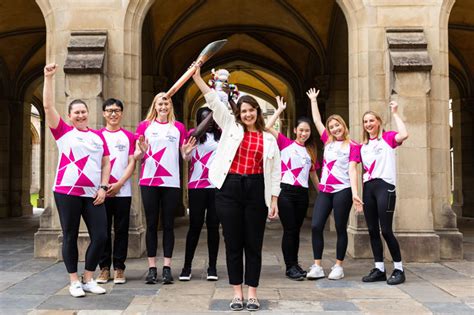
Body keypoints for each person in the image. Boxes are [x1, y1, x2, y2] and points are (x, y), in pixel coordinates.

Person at [192, 66, 280, 312]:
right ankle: (236, 293)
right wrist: (198, 78)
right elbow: (213, 101)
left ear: (257, 112)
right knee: (233, 243)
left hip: (256, 188)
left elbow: (275, 172)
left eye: (251, 110)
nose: (248, 114)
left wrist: (273, 200)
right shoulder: (231, 126)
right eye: (244, 110)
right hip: (229, 188)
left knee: (253, 243)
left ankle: (252, 293)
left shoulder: (269, 138)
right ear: (238, 113)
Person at [43, 63, 110, 297]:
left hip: (93, 194)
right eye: (76, 112)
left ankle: (89, 277)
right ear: (70, 116)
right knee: (70, 235)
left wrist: (103, 187)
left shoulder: (98, 136)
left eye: (83, 111)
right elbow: (48, 105)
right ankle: (74, 281)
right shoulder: (62, 132)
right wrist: (48, 78)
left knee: (101, 235)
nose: (80, 115)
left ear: (88, 114)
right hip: (66, 192)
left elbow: (105, 163)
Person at [306, 88, 362, 281]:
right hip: (325, 190)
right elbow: (317, 121)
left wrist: (355, 194)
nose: (334, 129)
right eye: (331, 127)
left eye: (337, 125)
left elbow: (353, 170)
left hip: (343, 190)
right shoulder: (327, 142)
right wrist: (313, 100)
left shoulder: (353, 145)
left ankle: (338, 266)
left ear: (343, 126)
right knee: (316, 225)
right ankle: (317, 266)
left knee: (340, 227)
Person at [265, 96, 319, 281]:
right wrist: (279, 110)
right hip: (286, 192)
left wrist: (322, 194)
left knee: (296, 230)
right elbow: (266, 127)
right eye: (301, 130)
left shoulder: (311, 151)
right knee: (289, 230)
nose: (304, 133)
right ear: (295, 130)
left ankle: (295, 264)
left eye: (307, 131)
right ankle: (290, 267)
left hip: (302, 194)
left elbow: (313, 175)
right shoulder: (285, 143)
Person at [134, 92, 187, 285]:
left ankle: (166, 267)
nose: (163, 106)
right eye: (160, 103)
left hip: (171, 182)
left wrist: (187, 153)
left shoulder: (178, 127)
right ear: (154, 106)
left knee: (168, 225)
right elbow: (137, 156)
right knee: (151, 224)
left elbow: (185, 156)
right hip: (149, 181)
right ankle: (151, 268)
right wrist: (142, 150)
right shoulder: (145, 126)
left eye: (166, 103)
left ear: (170, 106)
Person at [359, 101, 408, 285]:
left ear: (378, 122)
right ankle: (379, 268)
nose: (368, 124)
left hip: (385, 188)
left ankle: (399, 269)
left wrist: (395, 112)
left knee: (386, 230)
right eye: (365, 121)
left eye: (371, 120)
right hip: (368, 189)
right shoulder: (362, 146)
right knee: (372, 230)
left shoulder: (387, 138)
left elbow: (404, 134)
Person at [96, 98, 136, 285]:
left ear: (121, 113)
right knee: (102, 231)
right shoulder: (97, 136)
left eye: (117, 110)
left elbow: (132, 163)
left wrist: (119, 183)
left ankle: (119, 268)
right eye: (110, 110)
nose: (113, 114)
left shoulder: (129, 136)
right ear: (104, 113)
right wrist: (102, 186)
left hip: (123, 191)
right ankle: (104, 268)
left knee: (121, 231)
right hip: (101, 192)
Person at [179, 107, 221, 281]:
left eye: (211, 118)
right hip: (197, 187)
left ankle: (212, 267)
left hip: (216, 186)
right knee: (195, 226)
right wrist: (186, 152)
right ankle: (187, 267)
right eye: (205, 118)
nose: (209, 122)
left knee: (213, 227)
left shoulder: (221, 135)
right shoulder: (192, 135)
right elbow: (185, 157)